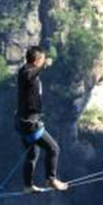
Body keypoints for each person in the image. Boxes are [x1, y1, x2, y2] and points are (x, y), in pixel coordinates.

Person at [16, 45, 69, 193]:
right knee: (53, 148)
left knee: (33, 153)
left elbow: (31, 76)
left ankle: (28, 186)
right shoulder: (26, 73)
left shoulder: (25, 71)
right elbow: (29, 76)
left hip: (24, 121)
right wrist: (44, 66)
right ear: (38, 60)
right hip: (29, 123)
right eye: (42, 59)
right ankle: (51, 179)